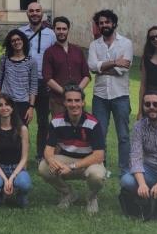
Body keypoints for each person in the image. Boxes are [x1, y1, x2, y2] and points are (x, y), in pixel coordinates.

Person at [38, 85, 106, 215]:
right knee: (43, 167)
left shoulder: (93, 123)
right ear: (64, 102)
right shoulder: (56, 121)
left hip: (89, 161)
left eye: (77, 100)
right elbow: (48, 150)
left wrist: (73, 166)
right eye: (69, 100)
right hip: (67, 159)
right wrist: (52, 161)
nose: (73, 104)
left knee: (97, 176)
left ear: (83, 102)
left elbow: (99, 155)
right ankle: (68, 194)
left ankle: (92, 197)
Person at [87, 9, 133, 177]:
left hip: (120, 95)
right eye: (101, 23)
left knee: (123, 135)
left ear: (113, 23)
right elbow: (92, 67)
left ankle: (124, 169)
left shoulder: (126, 43)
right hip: (100, 97)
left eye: (107, 22)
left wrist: (102, 68)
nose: (104, 25)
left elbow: (123, 69)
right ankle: (101, 167)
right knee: (100, 134)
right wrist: (114, 62)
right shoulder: (94, 45)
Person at [19, 2, 55, 161]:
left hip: (44, 83)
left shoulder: (51, 34)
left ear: (42, 13)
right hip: (24, 83)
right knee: (21, 121)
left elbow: (54, 58)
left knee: (43, 121)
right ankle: (21, 154)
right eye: (31, 11)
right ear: (27, 13)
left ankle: (41, 154)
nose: (34, 13)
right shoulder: (20, 32)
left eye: (37, 11)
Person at [0, 94, 32, 207]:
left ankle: (20, 195)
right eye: (0, 105)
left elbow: (24, 158)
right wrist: (5, 179)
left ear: (12, 108)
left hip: (18, 168)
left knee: (24, 184)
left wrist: (13, 176)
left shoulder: (22, 129)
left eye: (7, 104)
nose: (4, 108)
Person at [42, 16, 91, 116]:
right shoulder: (49, 52)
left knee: (78, 128)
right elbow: (47, 77)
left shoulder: (78, 51)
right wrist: (65, 92)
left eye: (64, 29)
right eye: (58, 29)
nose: (61, 32)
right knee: (59, 129)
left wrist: (77, 91)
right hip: (58, 101)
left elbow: (86, 75)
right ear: (54, 30)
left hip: (77, 101)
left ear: (68, 30)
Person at [0, 29, 38, 124]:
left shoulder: (32, 61)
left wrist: (31, 107)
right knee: (4, 132)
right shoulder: (4, 59)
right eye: (13, 41)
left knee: (21, 133)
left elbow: (33, 86)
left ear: (23, 41)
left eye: (18, 39)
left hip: (23, 103)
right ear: (10, 44)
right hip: (6, 102)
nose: (16, 42)